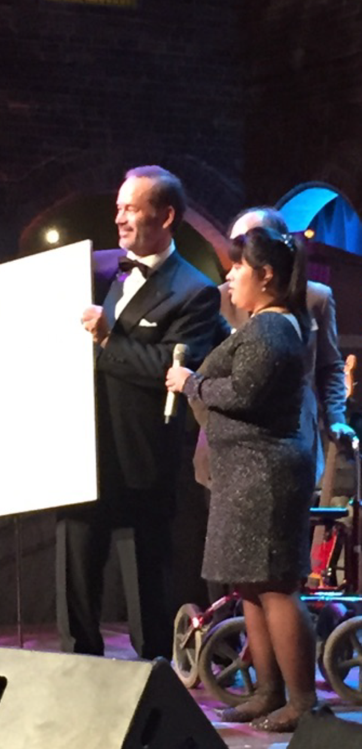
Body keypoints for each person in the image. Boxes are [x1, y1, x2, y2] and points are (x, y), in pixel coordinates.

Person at [55, 165, 229, 660]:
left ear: (166, 216)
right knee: (75, 567)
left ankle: (151, 673)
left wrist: (109, 339)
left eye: (131, 208)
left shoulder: (195, 290)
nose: (119, 218)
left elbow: (170, 368)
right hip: (82, 450)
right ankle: (77, 670)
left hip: (142, 458)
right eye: (118, 207)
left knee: (145, 576)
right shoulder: (95, 268)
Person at [167, 226, 317, 732]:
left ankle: (301, 702)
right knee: (250, 586)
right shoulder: (260, 325)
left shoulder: (272, 328)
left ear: (266, 275)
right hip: (245, 473)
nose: (229, 277)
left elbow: (244, 393)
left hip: (265, 474)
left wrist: (192, 383)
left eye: (238, 267)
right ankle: (267, 691)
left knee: (274, 586)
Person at [193, 207, 353, 489]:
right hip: (225, 446)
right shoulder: (219, 298)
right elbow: (206, 374)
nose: (238, 254)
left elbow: (329, 366)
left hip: (289, 443)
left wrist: (335, 419)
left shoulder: (316, 298)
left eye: (249, 243)